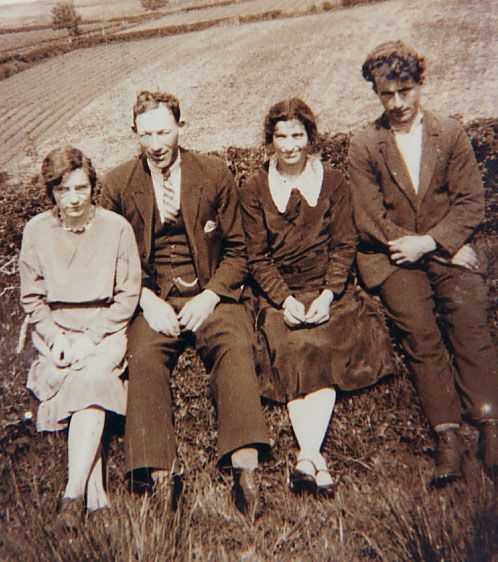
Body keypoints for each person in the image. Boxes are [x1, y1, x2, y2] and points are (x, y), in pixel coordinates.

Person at [100, 90, 270, 516]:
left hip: (209, 290)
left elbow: (239, 251)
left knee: (235, 344)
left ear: (180, 127)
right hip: (153, 296)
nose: (156, 144)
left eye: (163, 132)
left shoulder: (213, 173)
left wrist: (210, 296)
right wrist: (145, 299)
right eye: (146, 135)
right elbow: (111, 259)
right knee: (142, 355)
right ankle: (161, 474)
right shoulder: (118, 184)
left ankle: (245, 467)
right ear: (134, 133)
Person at [349, 41, 498, 483]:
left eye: (406, 91)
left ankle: (489, 422)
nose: (397, 103)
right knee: (420, 332)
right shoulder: (364, 144)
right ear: (376, 92)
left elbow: (470, 203)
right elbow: (368, 217)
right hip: (393, 256)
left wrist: (432, 243)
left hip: (445, 249)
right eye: (386, 94)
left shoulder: (449, 133)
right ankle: (446, 434)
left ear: (420, 85)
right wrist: (414, 246)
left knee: (469, 320)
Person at [240, 98, 393, 494]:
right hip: (281, 296)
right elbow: (257, 257)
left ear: (310, 137)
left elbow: (343, 246)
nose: (290, 145)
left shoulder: (334, 182)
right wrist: (285, 301)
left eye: (297, 135)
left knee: (322, 345)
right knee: (293, 347)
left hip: (329, 292)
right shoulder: (254, 188)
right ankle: (312, 460)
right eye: (281, 136)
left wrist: (327, 296)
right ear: (270, 140)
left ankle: (307, 456)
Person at [19, 147, 142, 527]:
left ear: (93, 187)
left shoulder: (116, 228)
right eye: (62, 190)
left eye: (80, 188)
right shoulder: (37, 230)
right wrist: (56, 338)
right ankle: (96, 496)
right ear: (51, 192)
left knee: (90, 376)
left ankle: (71, 494)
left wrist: (92, 337)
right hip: (57, 332)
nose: (73, 198)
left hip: (104, 329)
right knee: (81, 381)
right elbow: (32, 297)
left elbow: (128, 294)